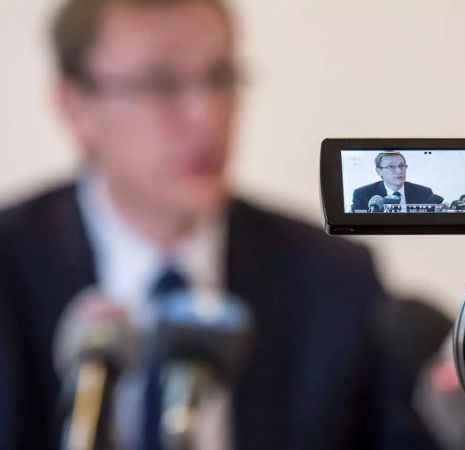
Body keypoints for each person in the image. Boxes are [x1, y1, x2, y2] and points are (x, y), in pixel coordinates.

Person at [0, 0, 437, 449]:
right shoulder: (8, 266)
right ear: (75, 106)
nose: (206, 115)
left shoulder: (331, 276)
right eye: (160, 84)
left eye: (219, 78)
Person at [351, 152, 439, 212]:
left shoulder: (424, 192)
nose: (398, 171)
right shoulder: (363, 194)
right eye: (391, 167)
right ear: (379, 171)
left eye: (401, 166)